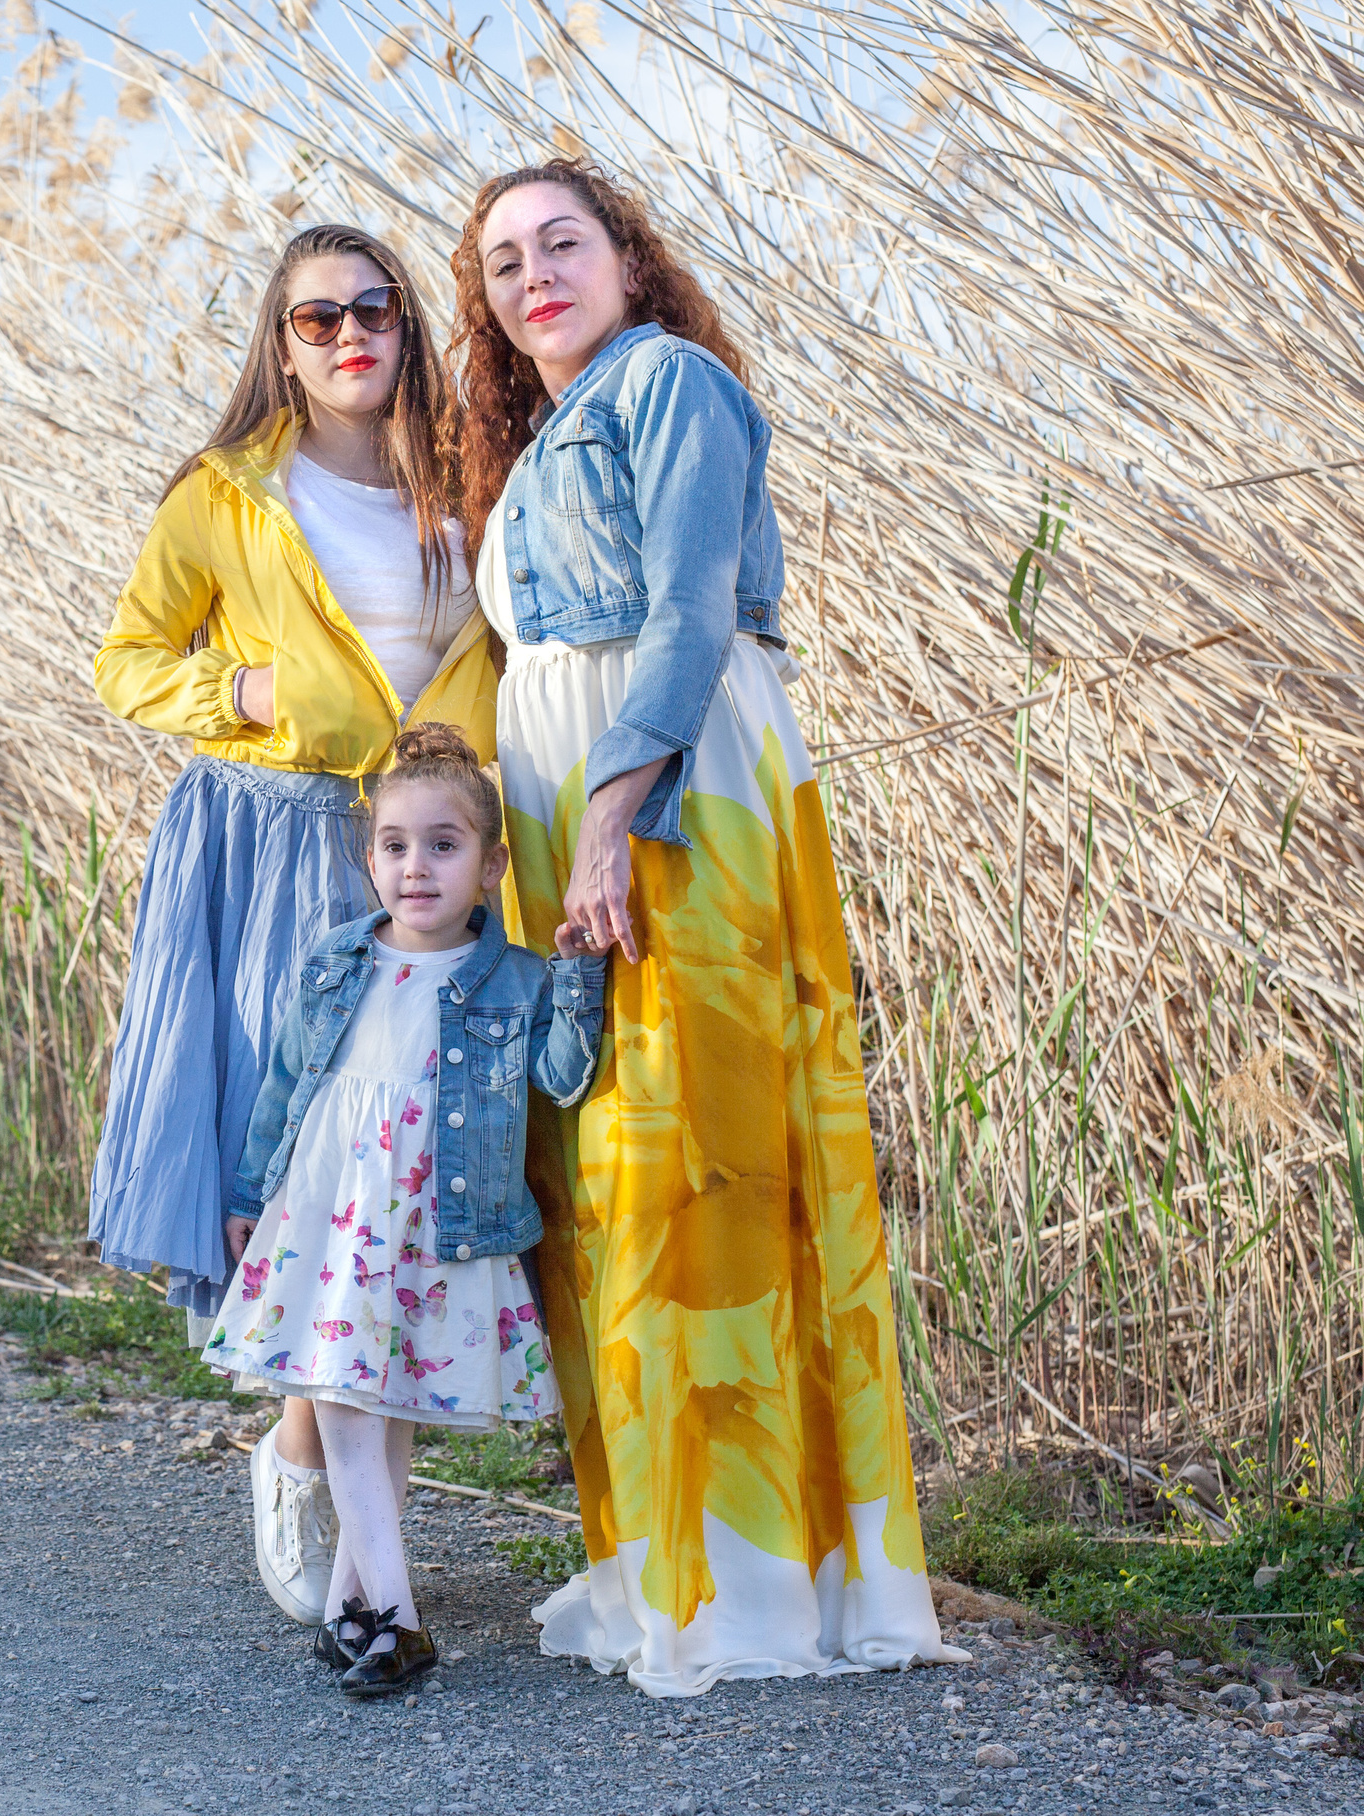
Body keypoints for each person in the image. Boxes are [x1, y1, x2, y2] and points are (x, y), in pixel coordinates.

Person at [451, 159, 967, 1694]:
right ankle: (651, 1570)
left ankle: (755, 1589)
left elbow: (686, 611)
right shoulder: (542, 433)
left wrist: (616, 810)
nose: (533, 274)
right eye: (500, 264)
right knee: (613, 1180)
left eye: (563, 242)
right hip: (572, 814)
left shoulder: (668, 382)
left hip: (677, 796)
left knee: (709, 1171)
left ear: (627, 258)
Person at [90, 224, 498, 1627]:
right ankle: (309, 1466)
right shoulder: (226, 494)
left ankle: (303, 1442)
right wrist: (248, 698)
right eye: (315, 317)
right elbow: (129, 663)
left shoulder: (468, 478)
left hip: (430, 847)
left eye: (374, 309)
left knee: (410, 1172)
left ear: (408, 326)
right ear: (280, 341)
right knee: (313, 1163)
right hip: (274, 841)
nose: (348, 336)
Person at [205, 724, 603, 1696]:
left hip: (436, 1220)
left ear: (491, 862)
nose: (414, 866)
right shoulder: (339, 960)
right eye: (393, 844)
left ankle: (355, 1607)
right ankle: (395, 1617)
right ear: (368, 854)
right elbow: (285, 1081)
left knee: (382, 1411)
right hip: (331, 1208)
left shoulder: (510, 980)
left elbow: (561, 1078)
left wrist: (581, 976)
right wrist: (251, 1190)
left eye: (443, 843)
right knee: (340, 1392)